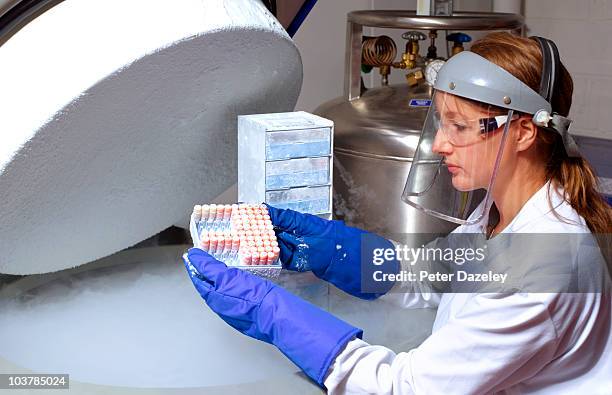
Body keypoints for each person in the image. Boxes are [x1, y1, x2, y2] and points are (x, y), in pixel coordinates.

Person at [183, 33, 612, 394]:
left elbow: (403, 387)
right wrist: (335, 250)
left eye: (459, 126)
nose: (441, 144)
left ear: (522, 133)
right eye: (440, 123)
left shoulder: (547, 268)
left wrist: (273, 313)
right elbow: (434, 275)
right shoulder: (502, 213)